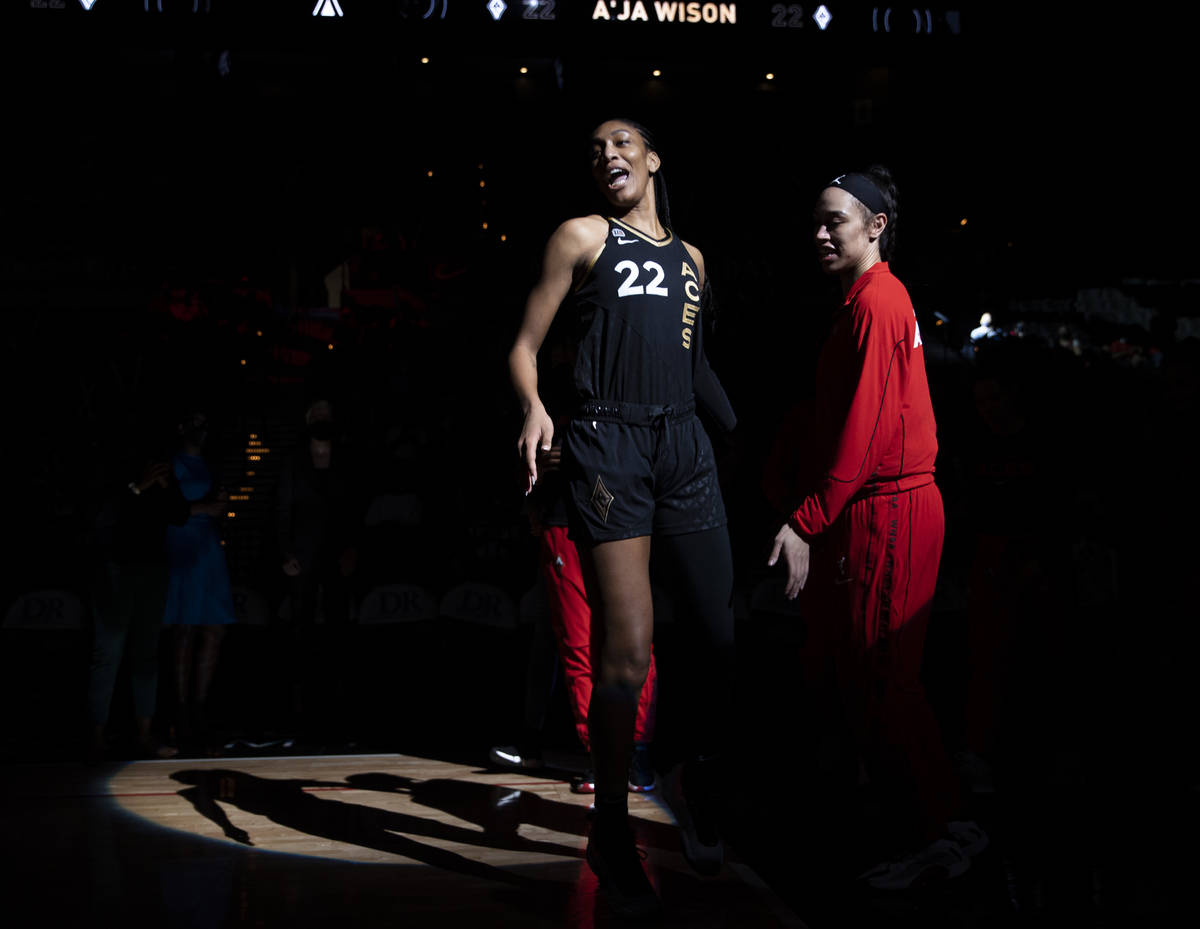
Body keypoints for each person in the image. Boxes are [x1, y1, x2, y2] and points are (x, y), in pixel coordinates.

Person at [508, 118, 737, 917]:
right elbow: (523, 345)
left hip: (682, 442)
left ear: (652, 159)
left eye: (623, 143)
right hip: (607, 438)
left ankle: (689, 769)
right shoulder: (580, 235)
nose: (608, 154)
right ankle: (610, 825)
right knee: (626, 653)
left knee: (717, 633)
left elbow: (696, 363)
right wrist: (535, 408)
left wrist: (750, 435)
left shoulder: (694, 258)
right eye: (596, 148)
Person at [767, 168, 987, 890]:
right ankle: (942, 825)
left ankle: (941, 835)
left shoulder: (879, 303)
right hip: (874, 507)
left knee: (887, 678)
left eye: (835, 220)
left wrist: (805, 521)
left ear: (876, 225)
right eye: (817, 221)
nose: (821, 233)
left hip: (892, 505)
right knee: (873, 678)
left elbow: (861, 435)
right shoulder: (865, 302)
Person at [86, 443, 190, 760]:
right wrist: (138, 487)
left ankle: (145, 734)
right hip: (116, 570)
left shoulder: (162, 469)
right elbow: (101, 516)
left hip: (153, 570)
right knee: (108, 653)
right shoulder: (113, 466)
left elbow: (180, 515)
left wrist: (165, 487)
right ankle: (96, 737)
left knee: (146, 656)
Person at [162, 409, 237, 754]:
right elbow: (165, 508)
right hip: (182, 545)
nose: (201, 428)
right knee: (185, 628)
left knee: (214, 629)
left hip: (209, 547)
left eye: (205, 422)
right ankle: (180, 714)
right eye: (194, 422)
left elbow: (218, 504)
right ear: (181, 426)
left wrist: (218, 507)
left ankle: (200, 707)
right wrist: (202, 508)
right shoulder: (171, 463)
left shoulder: (212, 463)